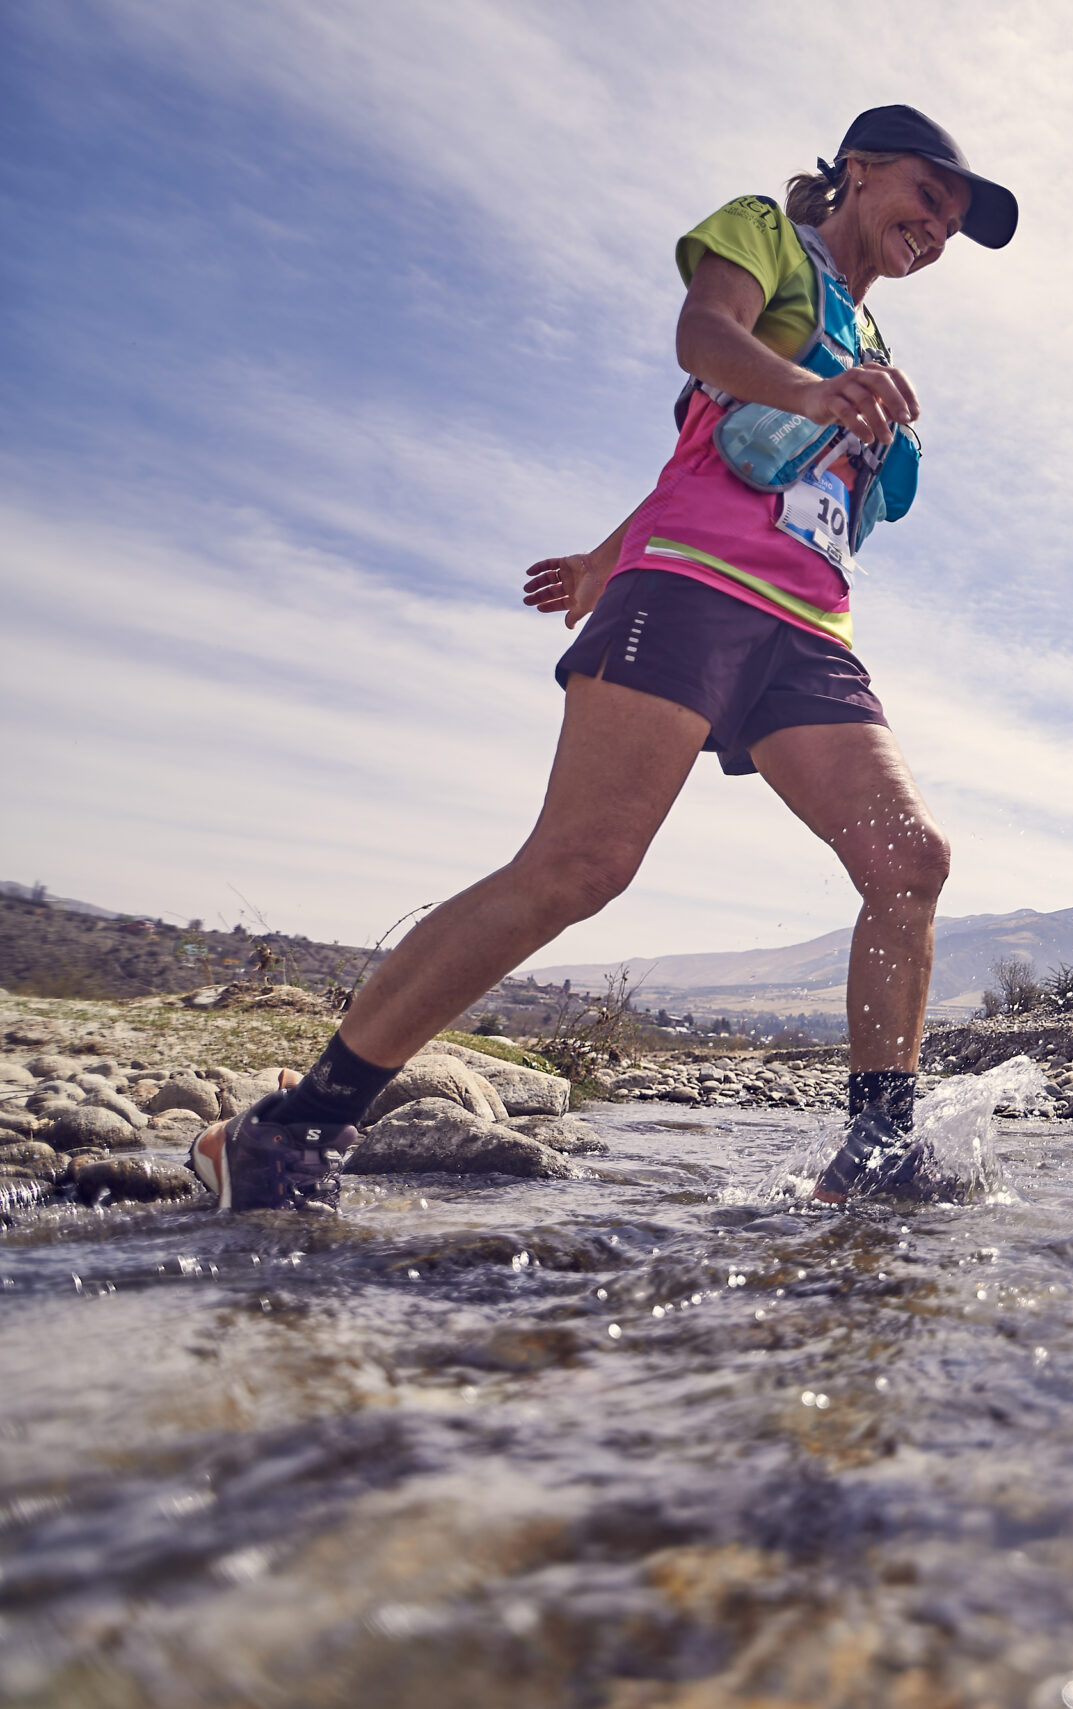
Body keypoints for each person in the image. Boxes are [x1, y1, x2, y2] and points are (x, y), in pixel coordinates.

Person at [188, 106, 1019, 1212]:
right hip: (692, 592)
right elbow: (704, 338)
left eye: (957, 224)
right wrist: (802, 397)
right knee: (580, 866)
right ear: (861, 172)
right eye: (931, 197)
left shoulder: (872, 345)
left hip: (811, 627)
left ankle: (874, 1155)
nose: (941, 229)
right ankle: (294, 1125)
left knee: (910, 858)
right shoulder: (766, 234)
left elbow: (731, 454)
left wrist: (599, 553)